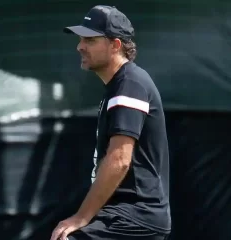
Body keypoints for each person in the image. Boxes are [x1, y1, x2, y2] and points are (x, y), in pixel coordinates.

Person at [50, 5, 171, 240]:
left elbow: (119, 160)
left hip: (134, 217)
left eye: (90, 40)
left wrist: (81, 217)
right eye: (80, 40)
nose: (80, 47)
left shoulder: (130, 84)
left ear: (115, 45)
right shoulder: (119, 85)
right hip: (125, 216)